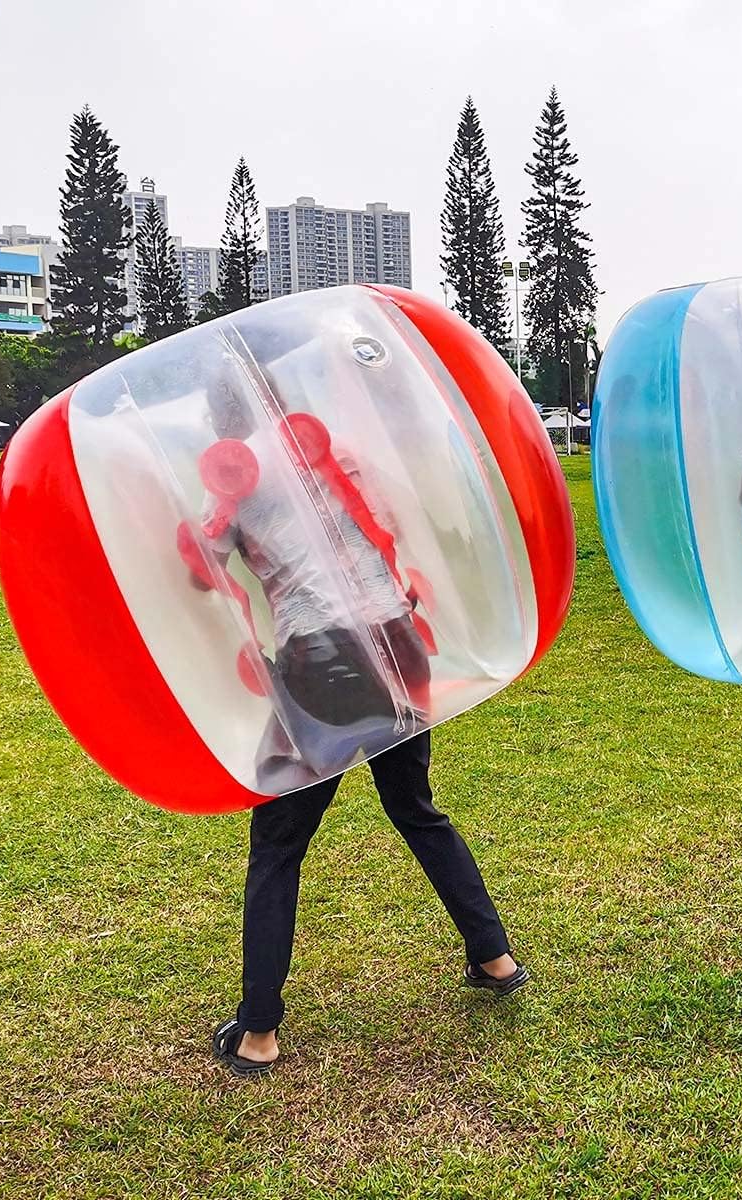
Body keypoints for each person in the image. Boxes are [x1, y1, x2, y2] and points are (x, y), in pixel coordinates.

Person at [194, 361, 528, 1078]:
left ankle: (258, 1032)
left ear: (221, 422)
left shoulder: (237, 477)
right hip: (397, 643)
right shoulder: (334, 451)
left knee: (279, 845)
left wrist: (212, 511)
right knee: (414, 807)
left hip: (323, 665)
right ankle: (495, 958)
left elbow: (204, 567)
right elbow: (392, 525)